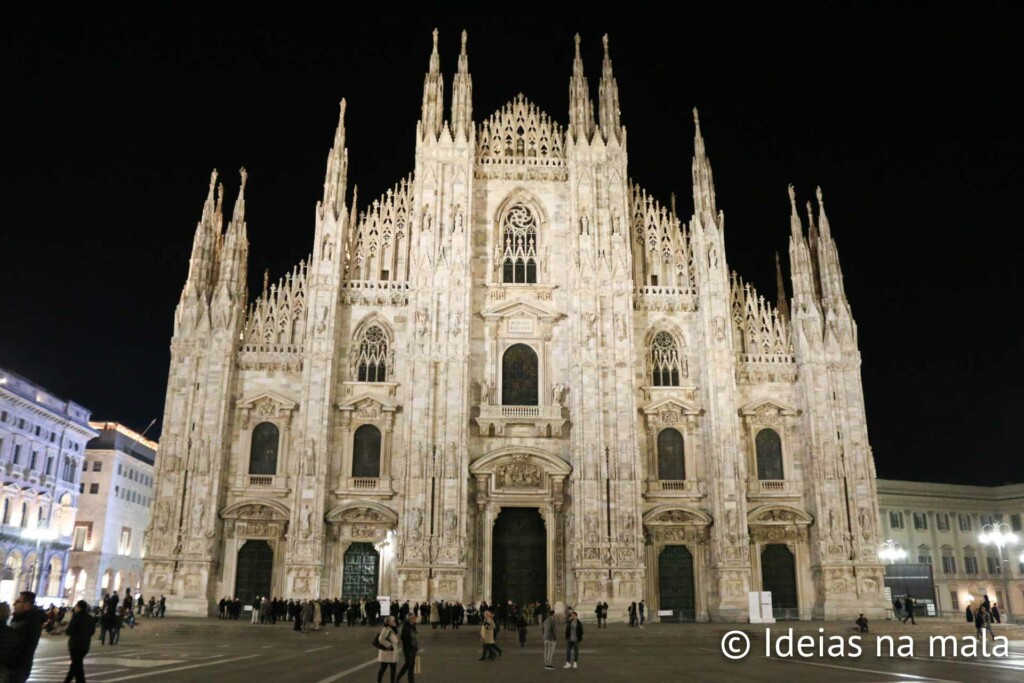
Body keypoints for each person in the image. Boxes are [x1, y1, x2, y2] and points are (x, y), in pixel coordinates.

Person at [9, 591, 46, 683]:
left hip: (17, 667)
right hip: (16, 666)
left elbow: (19, 646)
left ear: (26, 605)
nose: (14, 604)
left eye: (18, 601)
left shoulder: (29, 623)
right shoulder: (21, 619)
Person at [63, 600, 95, 683]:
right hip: (85, 645)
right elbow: (92, 632)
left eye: (76, 606)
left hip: (75, 645)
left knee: (75, 665)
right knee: (77, 665)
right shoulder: (90, 617)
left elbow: (70, 631)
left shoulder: (76, 617)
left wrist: (67, 631)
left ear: (78, 607)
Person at [375, 615, 400, 683]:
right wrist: (389, 645)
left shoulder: (392, 629)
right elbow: (380, 639)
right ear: (389, 622)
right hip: (387, 653)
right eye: (393, 621)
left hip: (391, 653)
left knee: (393, 669)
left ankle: (392, 681)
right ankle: (378, 681)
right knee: (383, 668)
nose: (395, 622)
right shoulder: (386, 629)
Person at [396, 613, 418, 683]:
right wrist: (410, 643)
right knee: (408, 664)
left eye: (415, 617)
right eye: (413, 617)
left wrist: (415, 646)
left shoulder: (413, 626)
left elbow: (414, 637)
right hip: (408, 649)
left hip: (413, 648)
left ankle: (411, 681)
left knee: (412, 665)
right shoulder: (406, 626)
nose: (415, 618)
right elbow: (403, 637)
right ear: (410, 619)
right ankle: (398, 677)